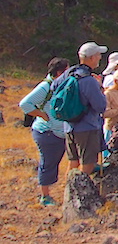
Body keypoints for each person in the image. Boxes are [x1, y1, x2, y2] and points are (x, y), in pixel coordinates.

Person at [19, 57, 70, 206]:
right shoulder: (46, 87)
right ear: (60, 72)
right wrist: (42, 114)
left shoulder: (59, 85)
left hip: (58, 131)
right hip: (46, 132)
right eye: (67, 70)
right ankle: (45, 196)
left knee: (55, 162)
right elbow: (25, 104)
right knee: (48, 163)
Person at [57, 41, 109, 176]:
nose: (100, 58)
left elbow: (54, 87)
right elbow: (101, 106)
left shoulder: (69, 73)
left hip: (69, 125)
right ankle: (81, 193)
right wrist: (100, 88)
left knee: (73, 162)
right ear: (91, 58)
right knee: (88, 164)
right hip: (87, 127)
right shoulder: (89, 80)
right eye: (98, 55)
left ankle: (68, 193)